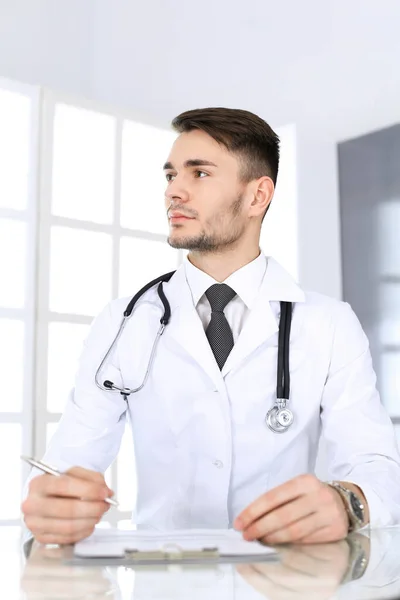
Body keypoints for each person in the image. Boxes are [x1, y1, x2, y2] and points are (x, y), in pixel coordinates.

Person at [22, 107, 400, 547]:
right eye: (170, 176)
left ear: (257, 196)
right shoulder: (123, 322)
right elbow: (66, 465)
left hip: (282, 577)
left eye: (199, 174)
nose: (174, 192)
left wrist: (347, 502)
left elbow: (378, 469)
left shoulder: (330, 324)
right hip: (162, 581)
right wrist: (51, 503)